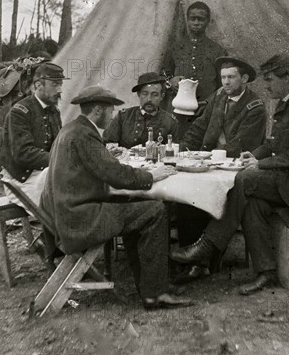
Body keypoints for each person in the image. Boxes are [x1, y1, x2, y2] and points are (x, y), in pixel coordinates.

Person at [170, 54, 289, 295]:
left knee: (244, 179)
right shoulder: (287, 102)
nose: (266, 86)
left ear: (287, 78)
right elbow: (273, 144)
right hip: (287, 180)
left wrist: (261, 165)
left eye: (270, 80)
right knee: (252, 203)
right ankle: (265, 272)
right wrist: (254, 156)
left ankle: (207, 246)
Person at [38, 84, 193, 310]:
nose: (112, 117)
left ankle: (150, 285)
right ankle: (156, 294)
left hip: (68, 213)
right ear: (98, 110)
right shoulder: (84, 135)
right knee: (155, 210)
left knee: (137, 207)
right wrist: (151, 175)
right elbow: (116, 174)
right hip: (79, 219)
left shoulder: (72, 130)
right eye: (110, 111)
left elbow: (102, 168)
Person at [173, 57, 267, 283]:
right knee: (186, 194)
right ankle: (191, 258)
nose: (225, 82)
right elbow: (199, 127)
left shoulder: (255, 106)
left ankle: (205, 261)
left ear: (244, 79)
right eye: (223, 77)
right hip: (210, 163)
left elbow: (243, 144)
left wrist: (209, 156)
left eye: (231, 77)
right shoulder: (218, 96)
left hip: (236, 166)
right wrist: (183, 150)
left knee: (210, 194)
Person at [0, 62, 68, 207]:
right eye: (55, 84)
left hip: (44, 174)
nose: (60, 90)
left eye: (60, 84)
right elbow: (23, 154)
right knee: (62, 203)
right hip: (20, 180)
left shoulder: (53, 112)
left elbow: (57, 145)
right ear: (38, 85)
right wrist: (60, 158)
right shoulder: (20, 112)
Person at [161, 1, 227, 138]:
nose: (196, 23)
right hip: (179, 110)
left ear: (208, 21)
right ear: (187, 20)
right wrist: (170, 81)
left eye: (200, 19)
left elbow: (223, 85)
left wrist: (210, 104)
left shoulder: (217, 50)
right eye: (192, 19)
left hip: (206, 110)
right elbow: (163, 73)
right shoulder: (176, 47)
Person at [103, 72, 179, 148]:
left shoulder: (170, 122)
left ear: (162, 96)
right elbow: (107, 144)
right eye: (145, 94)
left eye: (155, 95)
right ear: (139, 94)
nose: (149, 99)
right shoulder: (123, 117)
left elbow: (174, 151)